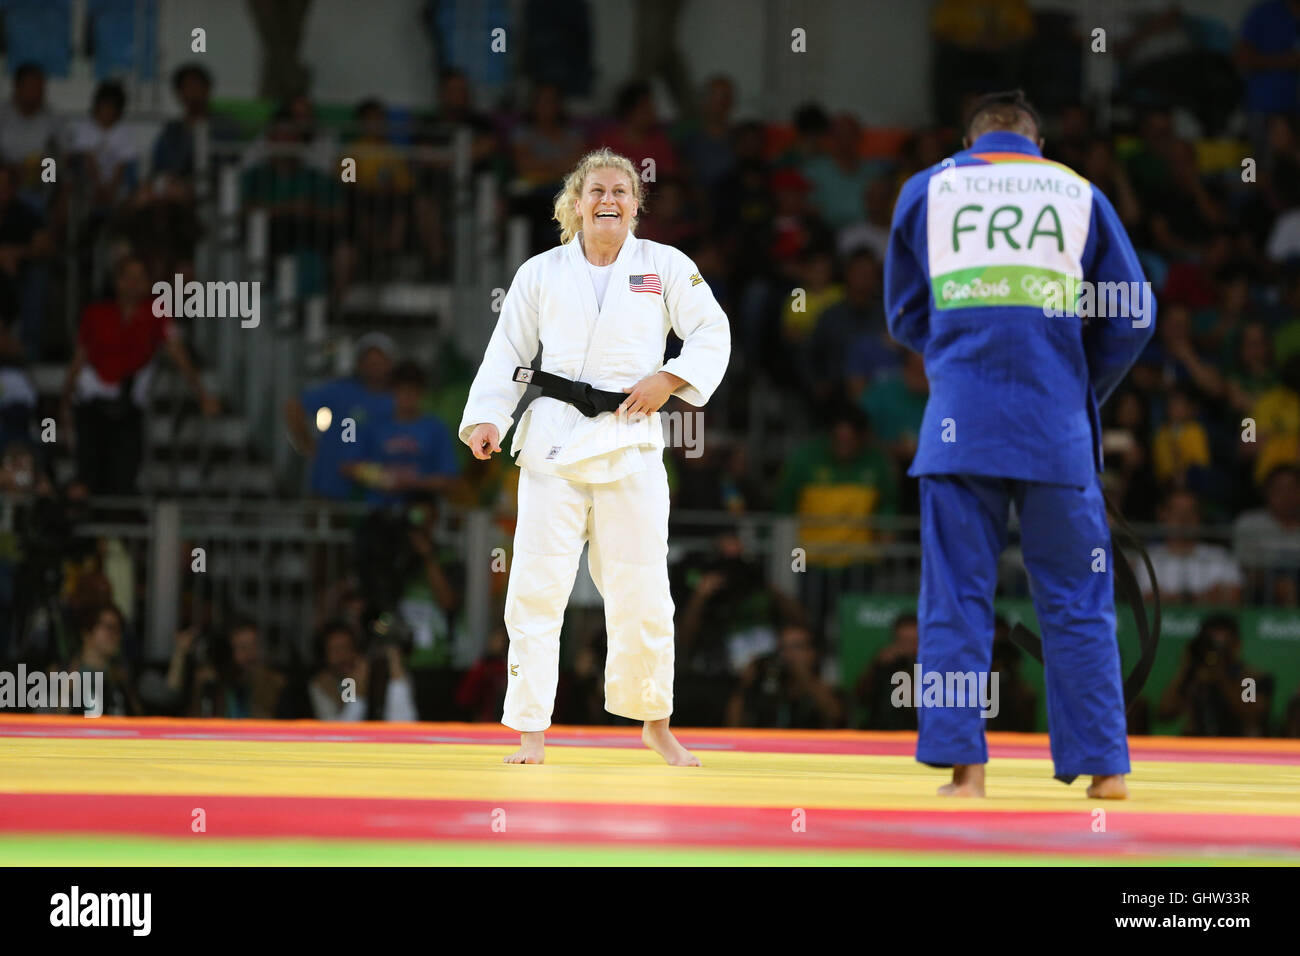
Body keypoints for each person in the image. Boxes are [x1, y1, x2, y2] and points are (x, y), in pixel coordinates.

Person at [884, 90, 1155, 798]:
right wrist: (1073, 388)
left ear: (973, 138)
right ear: (1033, 140)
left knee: (956, 596)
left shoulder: (927, 189)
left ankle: (965, 771)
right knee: (1075, 598)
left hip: (959, 427)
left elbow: (904, 312)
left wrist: (953, 358)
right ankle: (1106, 770)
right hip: (1055, 431)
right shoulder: (1078, 192)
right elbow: (1131, 315)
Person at [459, 147, 730, 765]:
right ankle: (531, 730)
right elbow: (507, 352)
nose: (608, 200)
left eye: (621, 192)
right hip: (553, 439)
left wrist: (671, 379)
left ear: (636, 205)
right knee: (536, 585)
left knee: (643, 588)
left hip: (630, 438)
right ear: (574, 204)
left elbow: (713, 331)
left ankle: (655, 722)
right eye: (596, 191)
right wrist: (486, 418)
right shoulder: (540, 272)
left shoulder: (664, 265)